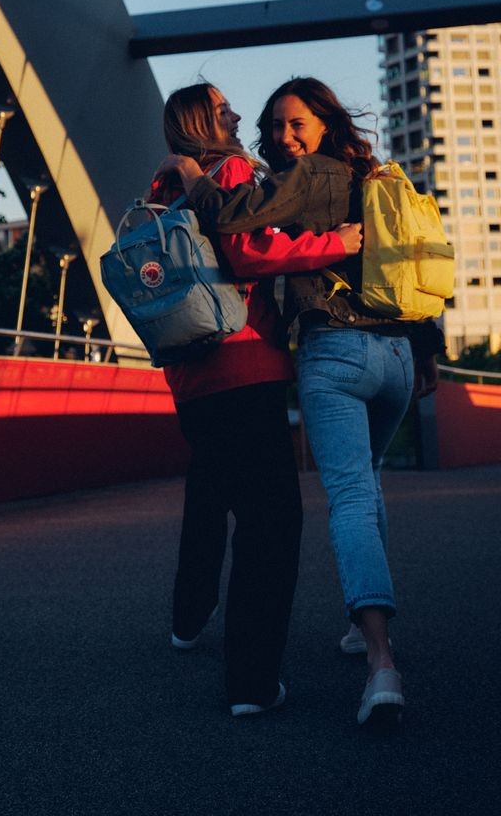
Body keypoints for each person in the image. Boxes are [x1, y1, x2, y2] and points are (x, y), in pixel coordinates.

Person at [157, 77, 444, 729]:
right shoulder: (360, 177)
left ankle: (364, 654)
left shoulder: (198, 180)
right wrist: (423, 346)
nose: (268, 130)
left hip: (233, 366)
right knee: (330, 500)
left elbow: (232, 232)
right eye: (232, 110)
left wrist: (187, 174)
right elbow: (396, 263)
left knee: (267, 499)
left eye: (293, 125)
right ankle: (290, 662)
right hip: (357, 353)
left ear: (319, 125)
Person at [149, 82, 361, 718]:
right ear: (205, 121)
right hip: (244, 364)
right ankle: (251, 681)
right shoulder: (228, 171)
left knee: (212, 494)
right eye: (224, 108)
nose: (239, 115)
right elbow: (246, 251)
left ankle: (188, 618)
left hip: (189, 376)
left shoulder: (163, 184)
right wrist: (337, 244)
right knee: (272, 524)